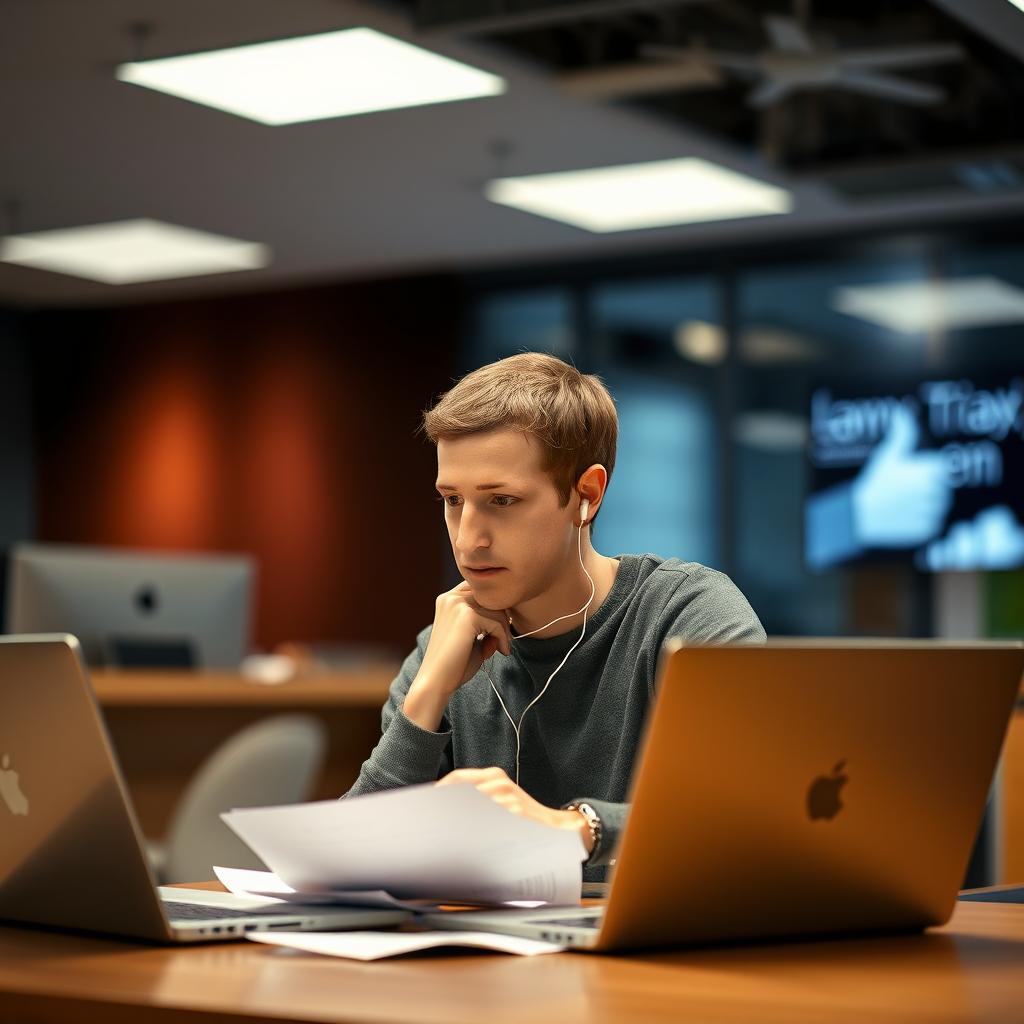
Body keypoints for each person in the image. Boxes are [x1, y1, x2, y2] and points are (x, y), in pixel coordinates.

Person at [346, 352, 765, 880]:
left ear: (585, 496)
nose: (467, 538)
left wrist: (577, 829)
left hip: (659, 956)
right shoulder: (444, 647)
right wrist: (426, 696)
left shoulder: (688, 615)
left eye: (501, 500)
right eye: (452, 500)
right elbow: (347, 864)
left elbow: (749, 813)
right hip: (489, 958)